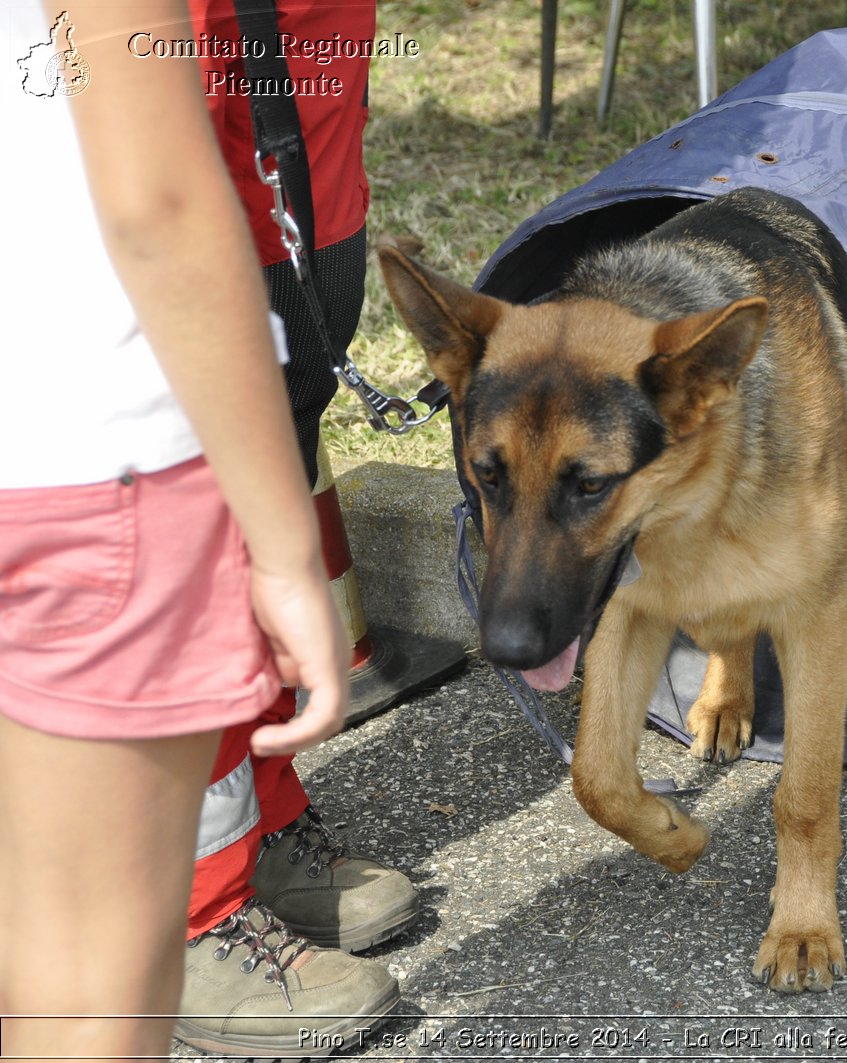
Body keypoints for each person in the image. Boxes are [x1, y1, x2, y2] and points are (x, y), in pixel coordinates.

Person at [0, 1, 377, 1057]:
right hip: (78, 454)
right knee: (81, 990)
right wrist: (280, 544)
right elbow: (158, 203)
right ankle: (210, 902)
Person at [171, 0, 423, 1053]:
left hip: (287, 79)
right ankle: (175, 907)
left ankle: (256, 813)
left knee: (276, 417)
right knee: (173, 512)